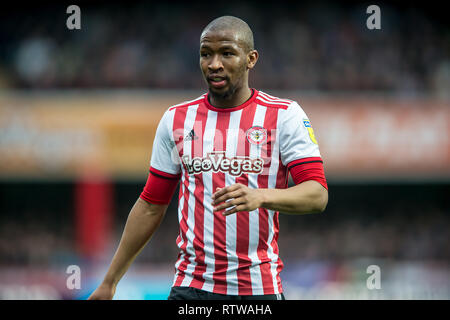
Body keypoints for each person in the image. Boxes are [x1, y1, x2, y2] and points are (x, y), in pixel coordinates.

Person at [88, 15, 328, 301]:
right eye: (206, 54)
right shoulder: (176, 119)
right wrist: (109, 282)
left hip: (257, 291)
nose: (214, 64)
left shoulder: (284, 116)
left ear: (251, 59)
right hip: (191, 289)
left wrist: (261, 196)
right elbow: (151, 205)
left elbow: (317, 195)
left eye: (227, 53)